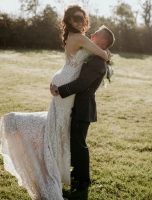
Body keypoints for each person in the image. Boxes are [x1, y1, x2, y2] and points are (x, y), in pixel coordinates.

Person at [0, 5, 111, 200]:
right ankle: (50, 169)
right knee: (56, 128)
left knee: (57, 127)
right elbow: (104, 54)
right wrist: (108, 56)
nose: (79, 21)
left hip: (64, 82)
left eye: (82, 17)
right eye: (75, 17)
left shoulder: (72, 37)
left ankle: (55, 166)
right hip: (65, 87)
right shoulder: (80, 38)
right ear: (68, 20)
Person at [50, 25, 115, 192]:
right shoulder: (94, 57)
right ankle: (76, 173)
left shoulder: (98, 62)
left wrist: (60, 90)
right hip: (78, 105)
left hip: (83, 107)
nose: (92, 34)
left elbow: (82, 84)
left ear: (103, 41)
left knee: (79, 143)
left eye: (96, 34)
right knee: (75, 141)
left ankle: (83, 180)